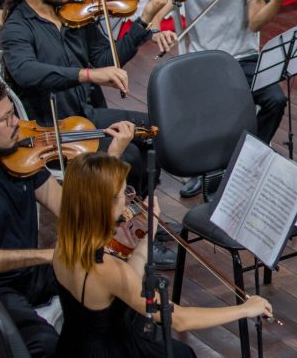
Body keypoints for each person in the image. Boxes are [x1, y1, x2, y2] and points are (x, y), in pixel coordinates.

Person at [0, 78, 136, 358]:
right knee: (45, 345)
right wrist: (45, 256)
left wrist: (112, 156)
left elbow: (71, 212)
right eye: (6, 118)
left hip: (33, 275)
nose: (18, 122)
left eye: (13, 113)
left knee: (118, 286)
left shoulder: (21, 157)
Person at [0, 0, 177, 237]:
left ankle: (139, 220)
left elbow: (107, 60)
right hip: (55, 130)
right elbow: (25, 71)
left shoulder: (74, 14)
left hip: (87, 113)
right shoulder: (18, 28)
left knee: (152, 132)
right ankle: (116, 230)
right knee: (129, 155)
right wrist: (87, 75)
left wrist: (144, 21)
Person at [52, 152, 273, 358]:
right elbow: (179, 320)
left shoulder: (63, 245)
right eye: (123, 194)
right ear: (103, 205)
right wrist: (244, 309)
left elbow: (126, 281)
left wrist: (148, 235)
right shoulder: (105, 268)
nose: (128, 199)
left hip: (74, 345)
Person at [164, 0, 297, 197]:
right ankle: (203, 169)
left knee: (275, 99)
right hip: (205, 63)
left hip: (244, 59)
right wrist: (154, 30)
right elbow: (166, 13)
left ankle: (243, 162)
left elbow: (255, 24)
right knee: (209, 110)